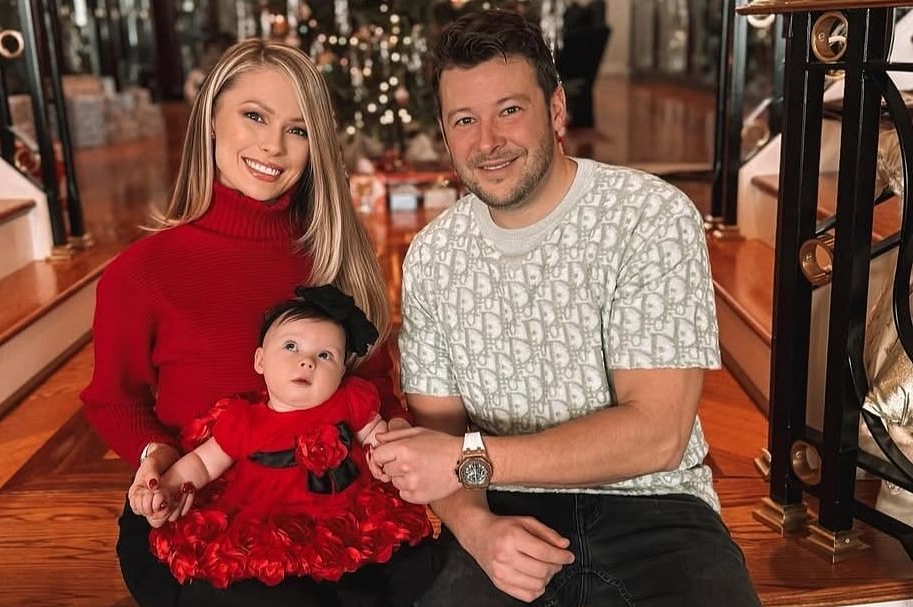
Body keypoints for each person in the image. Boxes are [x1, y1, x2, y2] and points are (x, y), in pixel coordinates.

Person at [371, 10, 762, 607]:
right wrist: (478, 531)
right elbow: (439, 440)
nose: (487, 142)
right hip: (503, 509)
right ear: (446, 136)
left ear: (555, 110)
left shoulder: (649, 217)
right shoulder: (431, 257)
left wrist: (470, 461)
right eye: (464, 120)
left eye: (509, 110)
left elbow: (656, 435)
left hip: (657, 511)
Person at [81, 39, 425, 606]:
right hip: (206, 518)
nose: (273, 144)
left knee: (429, 580)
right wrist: (154, 455)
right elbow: (113, 401)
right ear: (212, 118)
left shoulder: (335, 254)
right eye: (254, 116)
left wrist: (386, 432)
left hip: (332, 509)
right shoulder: (143, 272)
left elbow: (374, 387)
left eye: (298, 129)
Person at [147, 285, 431, 595]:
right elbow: (203, 462)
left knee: (404, 568)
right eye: (291, 347)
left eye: (325, 355)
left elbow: (375, 434)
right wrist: (170, 485)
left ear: (341, 372)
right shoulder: (244, 420)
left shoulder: (349, 400)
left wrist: (383, 452)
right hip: (268, 519)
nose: (307, 361)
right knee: (268, 584)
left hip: (342, 516)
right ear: (260, 361)